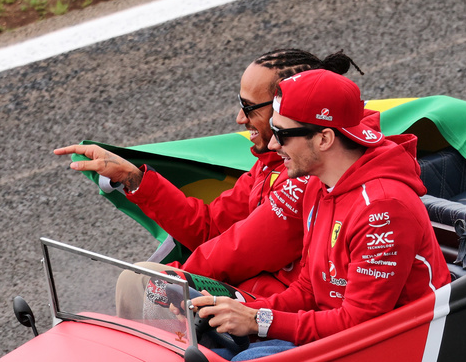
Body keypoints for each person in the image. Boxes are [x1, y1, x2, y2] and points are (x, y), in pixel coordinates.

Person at [55, 49, 362, 298]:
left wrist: (167, 278)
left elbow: (235, 253)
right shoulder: (270, 164)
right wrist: (134, 178)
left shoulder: (309, 171)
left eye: (249, 106)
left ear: (289, 106)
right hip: (266, 309)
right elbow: (210, 228)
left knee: (149, 295)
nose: (240, 117)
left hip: (287, 322)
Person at [192, 69, 450, 361]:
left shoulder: (383, 209)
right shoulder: (318, 184)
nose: (274, 145)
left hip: (399, 350)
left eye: (282, 135)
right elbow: (309, 288)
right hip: (340, 338)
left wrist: (258, 321)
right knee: (202, 337)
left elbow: (358, 323)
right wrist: (242, 310)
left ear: (324, 139)